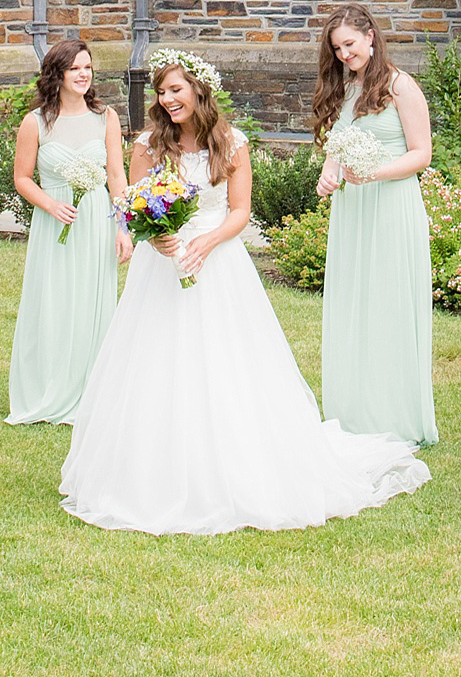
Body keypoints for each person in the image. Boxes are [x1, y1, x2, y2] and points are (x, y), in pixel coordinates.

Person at [60, 47, 431, 535]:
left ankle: (235, 464)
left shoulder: (231, 142)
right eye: (161, 93)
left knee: (227, 365)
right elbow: (134, 202)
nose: (168, 100)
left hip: (220, 265)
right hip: (161, 269)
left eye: (176, 90)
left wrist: (208, 242)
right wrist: (158, 234)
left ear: (199, 90)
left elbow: (239, 211)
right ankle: (154, 469)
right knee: (155, 362)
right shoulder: (149, 143)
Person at [314, 1, 437, 445]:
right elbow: (337, 147)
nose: (345, 55)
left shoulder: (401, 86)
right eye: (338, 49)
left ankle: (395, 412)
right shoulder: (347, 91)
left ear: (370, 36)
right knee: (355, 302)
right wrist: (329, 175)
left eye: (350, 44)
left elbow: (421, 154)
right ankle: (354, 408)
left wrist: (374, 173)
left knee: (387, 301)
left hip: (391, 205)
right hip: (353, 212)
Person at [7, 31, 132, 425]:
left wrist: (123, 227)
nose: (83, 75)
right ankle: (49, 384)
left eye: (88, 67)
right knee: (54, 300)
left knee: (94, 299)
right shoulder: (36, 122)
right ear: (56, 74)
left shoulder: (105, 117)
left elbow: (116, 175)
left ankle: (91, 389)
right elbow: (23, 178)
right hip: (55, 222)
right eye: (74, 68)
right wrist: (50, 203)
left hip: (96, 219)